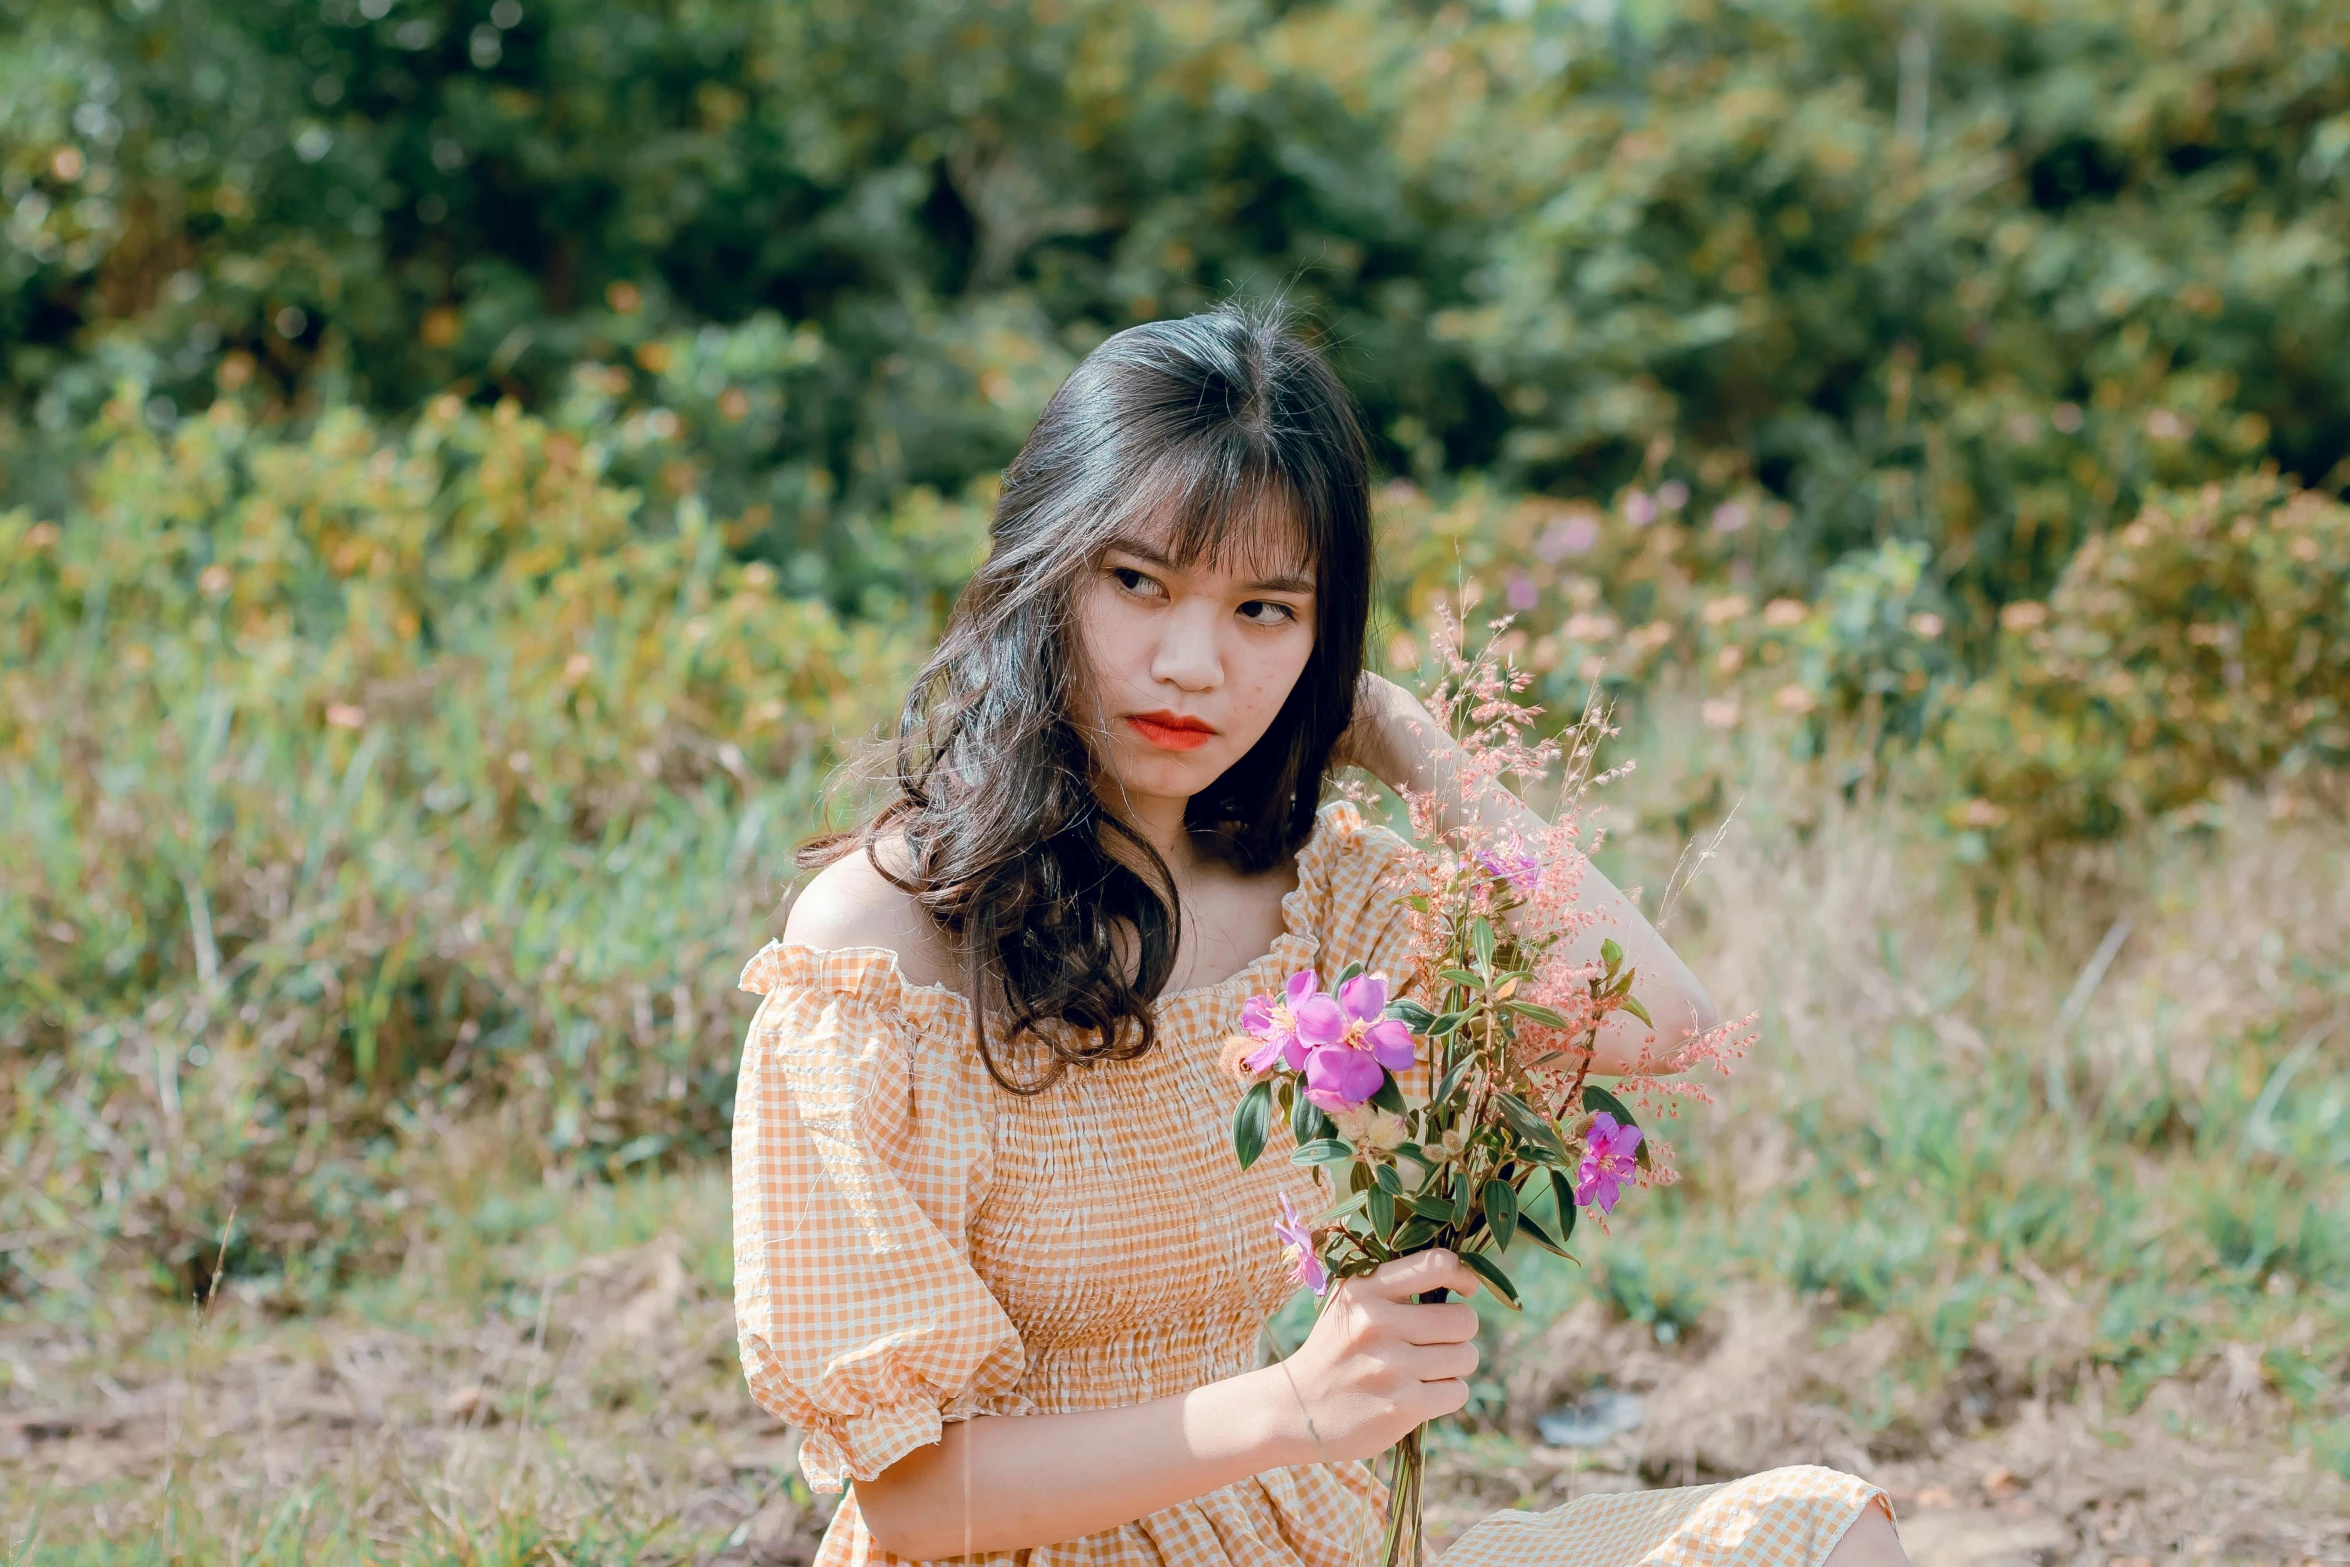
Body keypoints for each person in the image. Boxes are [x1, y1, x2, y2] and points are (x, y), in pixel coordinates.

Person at [731, 308, 1905, 1567]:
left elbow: (1658, 1028)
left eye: (1264, 609)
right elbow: (907, 1496)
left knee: (1815, 1537)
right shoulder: (878, 948)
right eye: (1137, 582)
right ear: (1043, 568)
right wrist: (1290, 1405)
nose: (1192, 663)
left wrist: (1409, 742)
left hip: (1292, 1544)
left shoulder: (1320, 900)